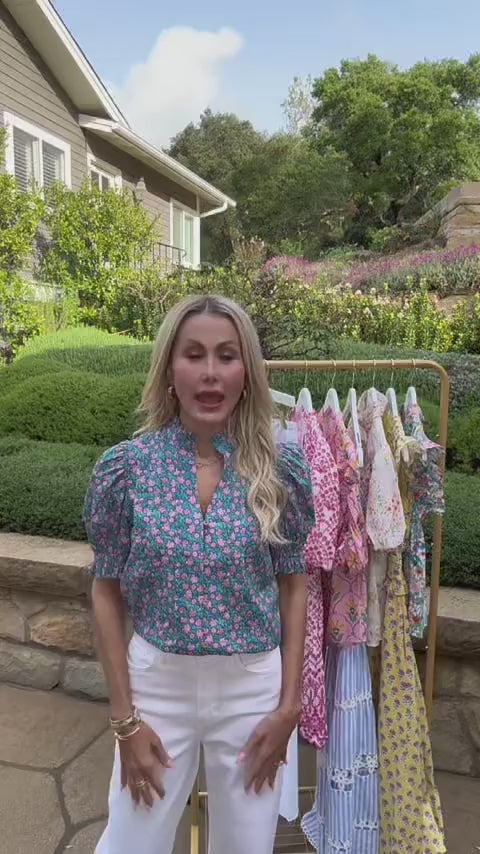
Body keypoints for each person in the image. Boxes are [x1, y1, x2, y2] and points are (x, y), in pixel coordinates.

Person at [84, 294, 315, 854]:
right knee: (131, 842)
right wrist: (124, 721)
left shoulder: (280, 469)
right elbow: (106, 591)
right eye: (193, 355)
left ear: (247, 371)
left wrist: (289, 707)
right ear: (169, 369)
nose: (211, 373)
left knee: (246, 845)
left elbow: (294, 584)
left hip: (253, 689)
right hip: (156, 687)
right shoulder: (128, 469)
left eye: (227, 356)